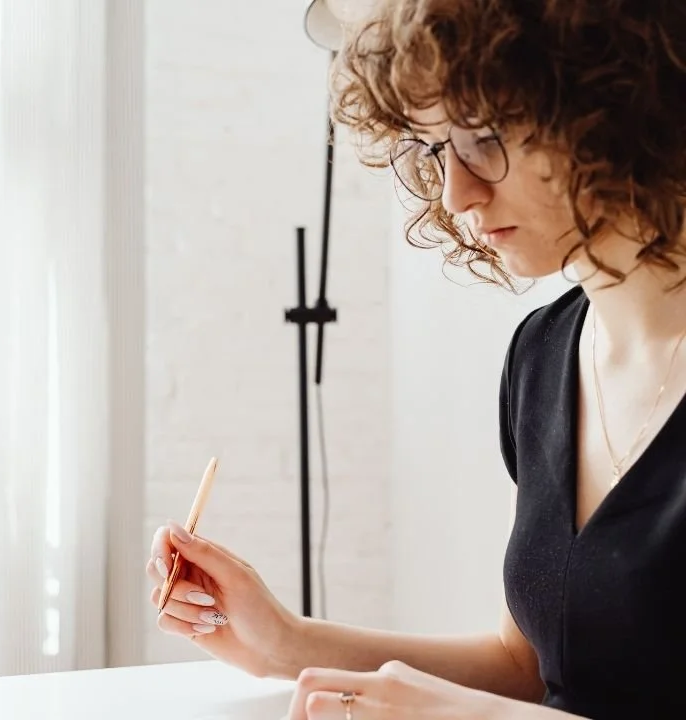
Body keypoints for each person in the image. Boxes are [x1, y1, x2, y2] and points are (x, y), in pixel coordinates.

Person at [146, 1, 686, 718]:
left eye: (483, 137)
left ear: (613, 109)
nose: (457, 192)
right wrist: (283, 640)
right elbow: (524, 670)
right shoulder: (542, 355)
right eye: (435, 150)